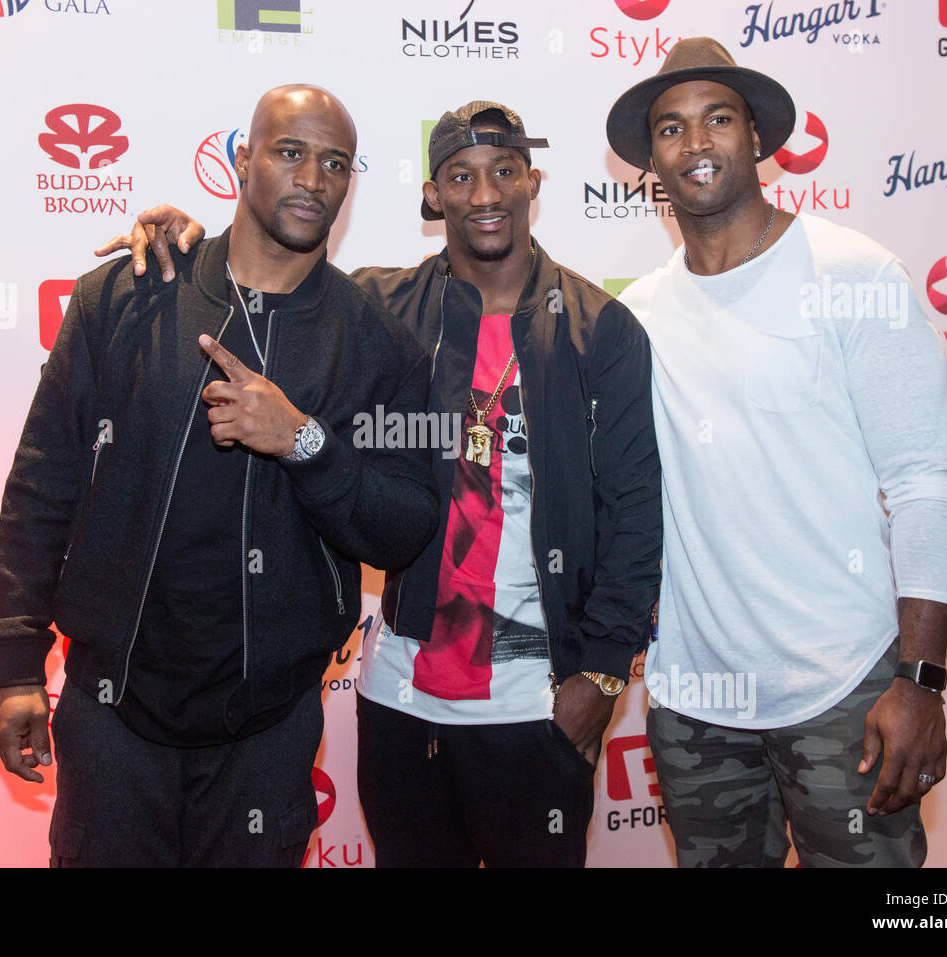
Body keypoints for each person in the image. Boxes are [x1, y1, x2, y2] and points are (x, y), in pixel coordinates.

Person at [102, 101, 662, 867]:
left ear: (535, 182)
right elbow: (267, 275)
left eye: (505, 172)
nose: (486, 194)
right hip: (400, 700)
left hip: (536, 701)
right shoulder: (375, 305)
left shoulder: (601, 327)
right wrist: (180, 236)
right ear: (433, 197)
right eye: (461, 176)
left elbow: (634, 510)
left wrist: (600, 674)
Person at [0, 84, 438, 867]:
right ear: (241, 161)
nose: (313, 179)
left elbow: (406, 524)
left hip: (265, 732)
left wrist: (305, 443)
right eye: (290, 153)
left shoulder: (375, 341)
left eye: (335, 164)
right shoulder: (128, 295)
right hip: (113, 713)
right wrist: (16, 663)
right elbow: (42, 484)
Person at [606, 38, 947, 866]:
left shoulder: (855, 276)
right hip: (696, 706)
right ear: (650, 157)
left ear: (757, 137)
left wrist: (920, 679)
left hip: (845, 691)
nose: (695, 144)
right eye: (671, 128)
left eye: (717, 119)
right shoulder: (641, 316)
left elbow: (921, 485)